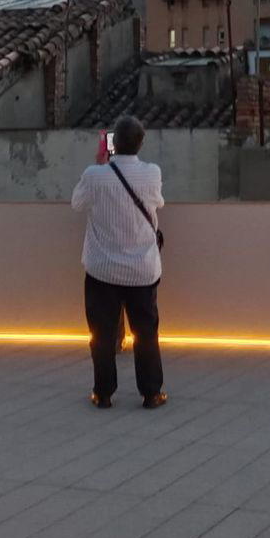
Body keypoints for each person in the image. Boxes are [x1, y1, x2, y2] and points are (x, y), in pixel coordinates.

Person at [71, 115, 166, 409]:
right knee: (146, 332)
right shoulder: (152, 173)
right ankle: (151, 393)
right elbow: (158, 202)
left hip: (102, 269)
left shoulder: (94, 175)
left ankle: (103, 393)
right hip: (142, 269)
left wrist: (100, 164)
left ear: (113, 144)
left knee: (102, 333)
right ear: (140, 143)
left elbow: (77, 203)